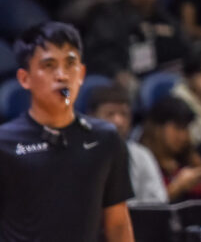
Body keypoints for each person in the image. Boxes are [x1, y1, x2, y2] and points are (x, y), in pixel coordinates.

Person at [0, 23, 134, 241]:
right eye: (49, 65)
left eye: (70, 63)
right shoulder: (4, 142)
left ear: (81, 73)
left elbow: (118, 223)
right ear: (25, 78)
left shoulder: (106, 138)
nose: (62, 75)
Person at [84, 0, 188, 81]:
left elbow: (187, 50)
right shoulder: (108, 18)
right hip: (127, 85)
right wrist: (117, 73)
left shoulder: (167, 18)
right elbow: (97, 57)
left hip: (170, 80)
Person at [89, 84, 168, 205]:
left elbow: (158, 203)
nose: (118, 122)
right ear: (91, 118)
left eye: (124, 114)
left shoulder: (141, 154)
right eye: (110, 114)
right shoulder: (79, 155)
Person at [138, 95, 201, 202]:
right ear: (158, 128)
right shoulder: (141, 160)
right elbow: (145, 207)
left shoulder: (189, 159)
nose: (183, 136)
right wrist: (178, 187)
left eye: (186, 128)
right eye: (178, 128)